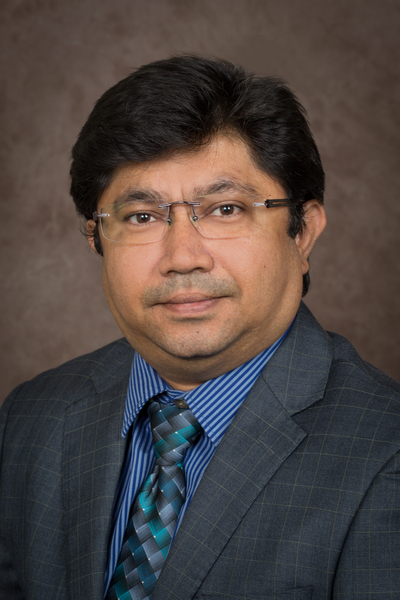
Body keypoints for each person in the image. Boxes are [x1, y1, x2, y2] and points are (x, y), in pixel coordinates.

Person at [1, 55, 399, 600]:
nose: (183, 257)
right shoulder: (29, 420)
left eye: (225, 209)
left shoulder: (385, 452)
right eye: (142, 217)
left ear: (302, 232)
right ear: (96, 239)